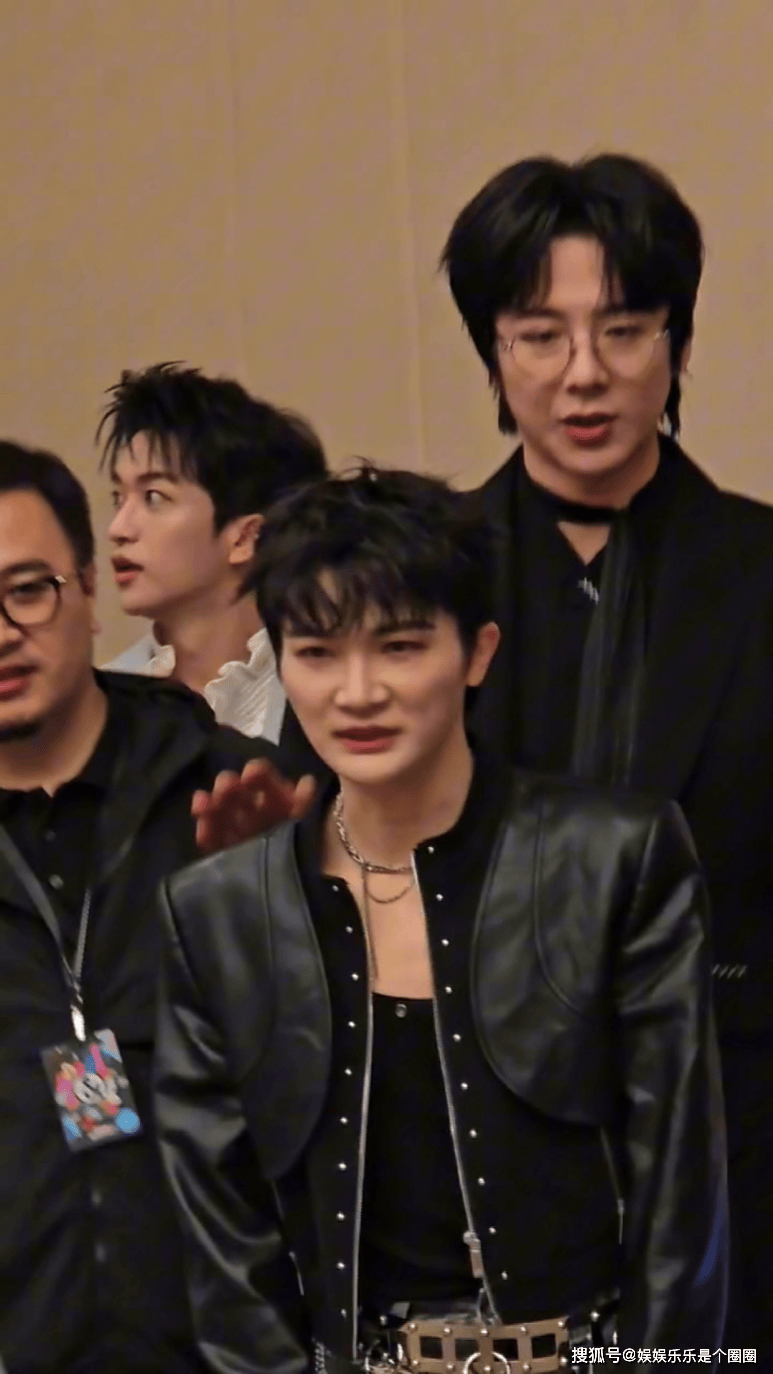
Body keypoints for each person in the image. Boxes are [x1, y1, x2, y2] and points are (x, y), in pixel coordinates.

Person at [154, 465, 726, 1374]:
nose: (357, 692)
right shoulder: (218, 911)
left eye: (399, 646)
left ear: (478, 652)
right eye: (317, 652)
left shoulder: (615, 855)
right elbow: (227, 1249)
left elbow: (680, 1198)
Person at [440, 151, 773, 1352]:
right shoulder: (420, 579)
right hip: (478, 1141)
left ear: (675, 345)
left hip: (742, 1127)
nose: (584, 372)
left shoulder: (757, 568)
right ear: (493, 355)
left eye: (623, 329)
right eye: (539, 335)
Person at [0, 439, 312, 1374]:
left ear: (90, 588)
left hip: (235, 1339)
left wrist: (288, 901)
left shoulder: (225, 789)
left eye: (28, 590)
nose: (2, 632)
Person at [99, 361, 327, 742]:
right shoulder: (99, 704)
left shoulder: (325, 693)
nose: (117, 529)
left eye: (153, 497)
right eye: (118, 498)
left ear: (245, 538)